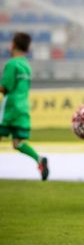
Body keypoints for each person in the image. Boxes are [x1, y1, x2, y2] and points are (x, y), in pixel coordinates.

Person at [0, 32, 49, 181]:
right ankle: (39, 159)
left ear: (13, 45)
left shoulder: (12, 64)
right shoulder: (26, 66)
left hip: (10, 108)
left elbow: (5, 88)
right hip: (22, 108)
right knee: (18, 143)